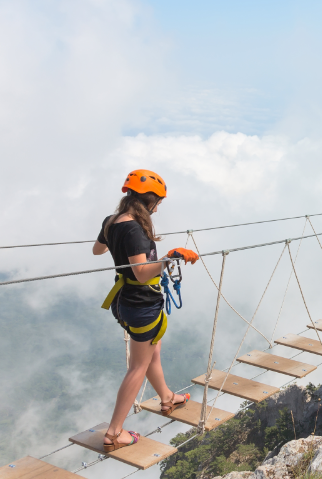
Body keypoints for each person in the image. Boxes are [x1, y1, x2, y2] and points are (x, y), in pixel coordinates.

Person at [92, 169, 200, 452]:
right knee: (137, 367)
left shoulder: (112, 222)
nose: (158, 207)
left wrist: (118, 244)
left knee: (153, 350)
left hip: (123, 300)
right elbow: (141, 272)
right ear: (148, 200)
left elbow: (97, 250)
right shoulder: (134, 229)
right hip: (141, 303)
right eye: (158, 202)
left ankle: (166, 397)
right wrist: (168, 258)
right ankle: (114, 433)